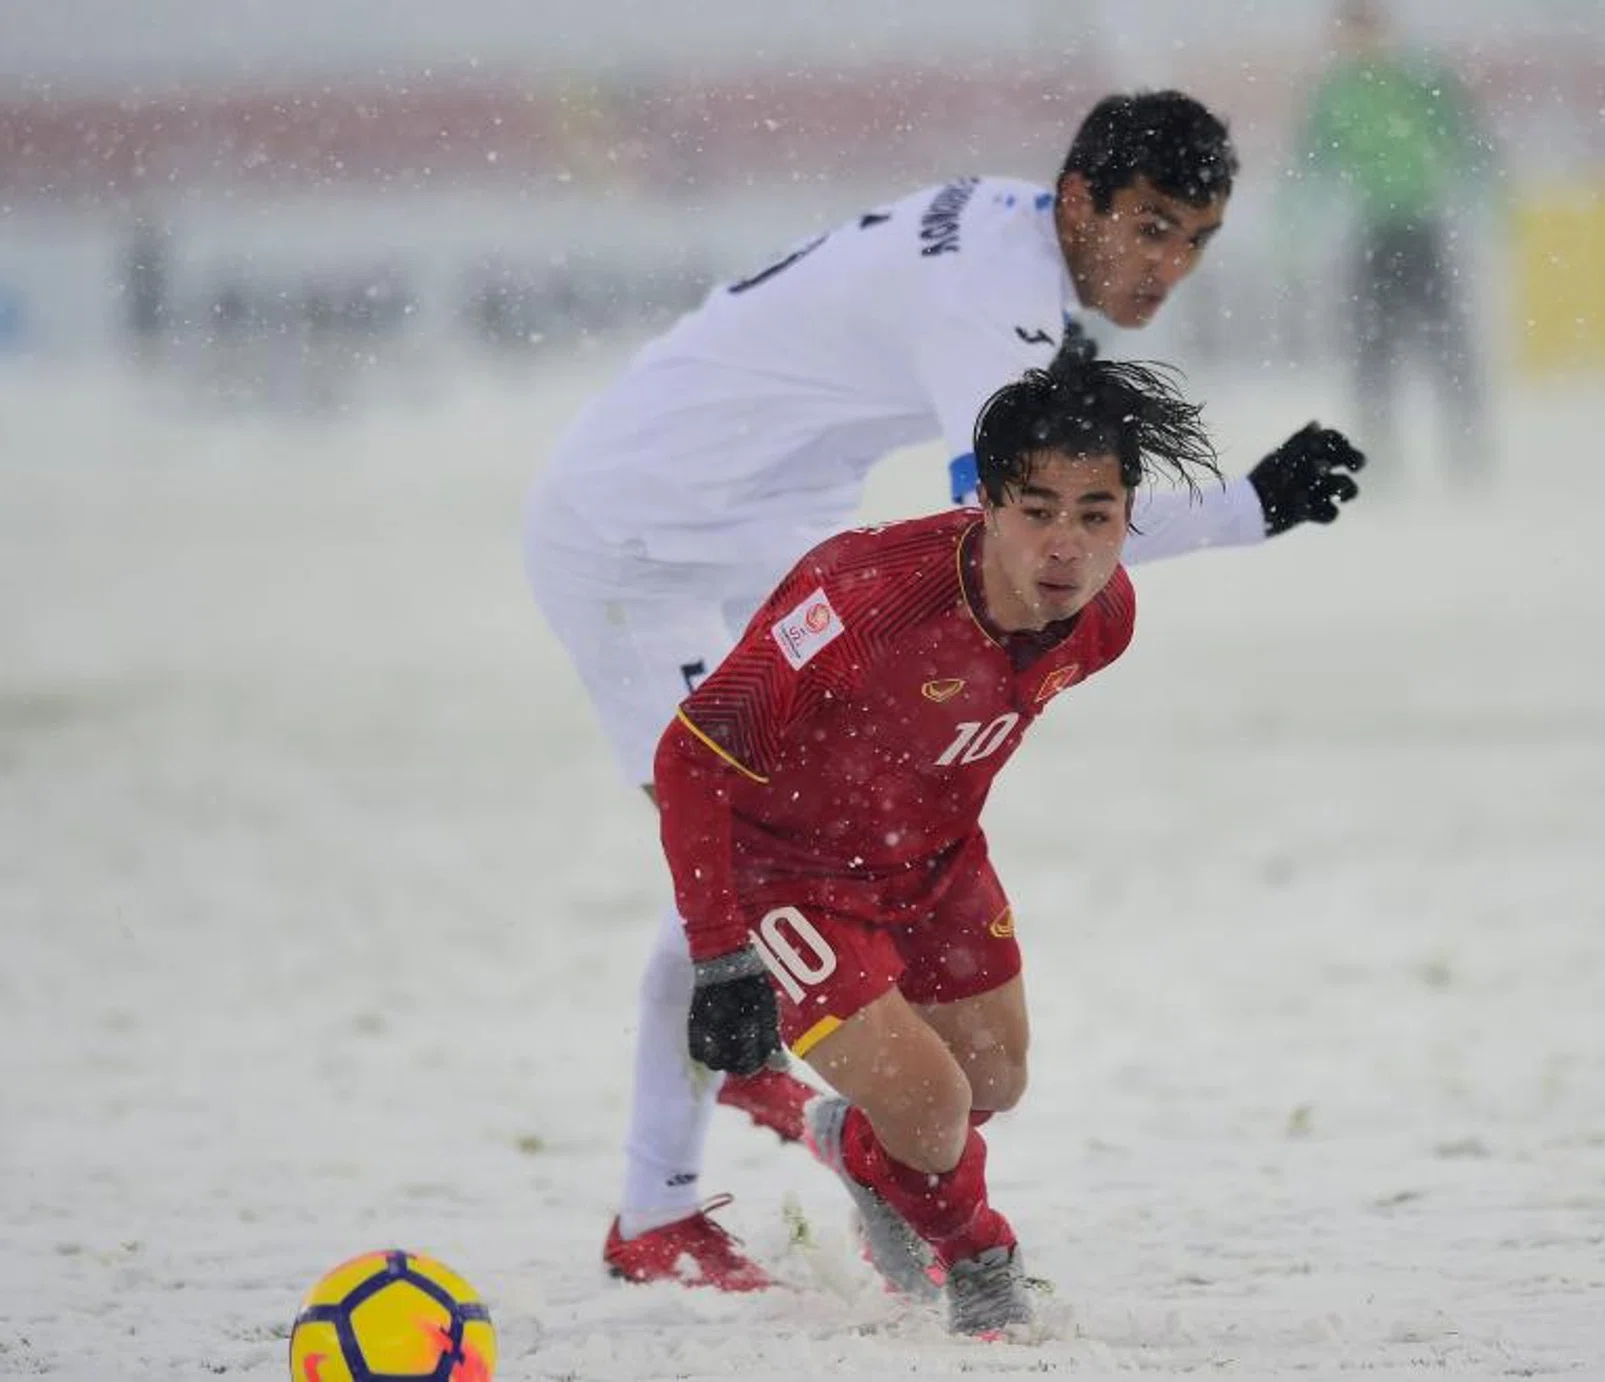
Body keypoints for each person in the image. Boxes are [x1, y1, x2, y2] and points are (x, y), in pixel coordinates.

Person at [522, 88, 1366, 1292]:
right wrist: (1246, 509)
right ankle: (657, 1205)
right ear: (1080, 203)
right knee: (724, 827)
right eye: (1152, 227)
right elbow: (1033, 530)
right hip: (638, 541)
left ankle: (787, 1051)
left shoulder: (1014, 234)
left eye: (1196, 239)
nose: (1170, 265)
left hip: (756, 519)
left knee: (768, 844)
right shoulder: (997, 301)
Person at [659, 357, 1280, 1334]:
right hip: (788, 872)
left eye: (1096, 513)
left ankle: (862, 1149)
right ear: (985, 501)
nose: (1065, 546)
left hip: (936, 858)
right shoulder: (858, 599)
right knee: (933, 1097)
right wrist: (720, 949)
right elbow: (689, 756)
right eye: (1037, 509)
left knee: (995, 1081)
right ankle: (981, 1260)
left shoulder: (1105, 621)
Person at [1289, 0, 1498, 485]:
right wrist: (1295, 224)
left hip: (1422, 228)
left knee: (1448, 347)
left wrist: (1485, 200)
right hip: (1373, 234)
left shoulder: (1421, 79)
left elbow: (1467, 140)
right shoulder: (1337, 92)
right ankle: (1382, 457)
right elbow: (1312, 160)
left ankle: (1467, 454)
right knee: (1372, 351)